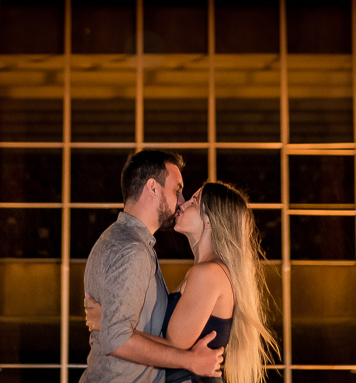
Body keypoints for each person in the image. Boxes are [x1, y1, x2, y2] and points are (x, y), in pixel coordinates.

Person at [86, 180, 278, 383]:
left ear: (210, 221)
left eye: (194, 202)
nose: (182, 204)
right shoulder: (208, 271)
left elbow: (174, 346)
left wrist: (108, 324)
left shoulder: (208, 273)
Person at [81, 149, 225, 383]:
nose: (181, 200)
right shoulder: (132, 249)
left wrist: (105, 322)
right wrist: (191, 361)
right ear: (152, 187)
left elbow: (119, 332)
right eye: (177, 189)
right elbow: (116, 339)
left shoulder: (120, 239)